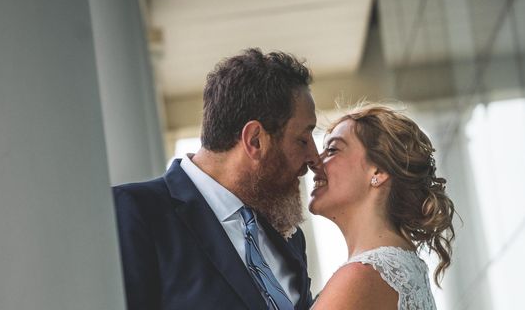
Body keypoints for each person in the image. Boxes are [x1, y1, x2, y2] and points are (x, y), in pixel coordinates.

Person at [113, 48, 319, 310]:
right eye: (302, 139)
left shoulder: (290, 237)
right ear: (255, 139)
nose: (315, 157)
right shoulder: (133, 212)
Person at [309, 105, 455, 310]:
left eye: (332, 149)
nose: (315, 161)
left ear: (378, 171)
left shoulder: (362, 275)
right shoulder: (401, 267)